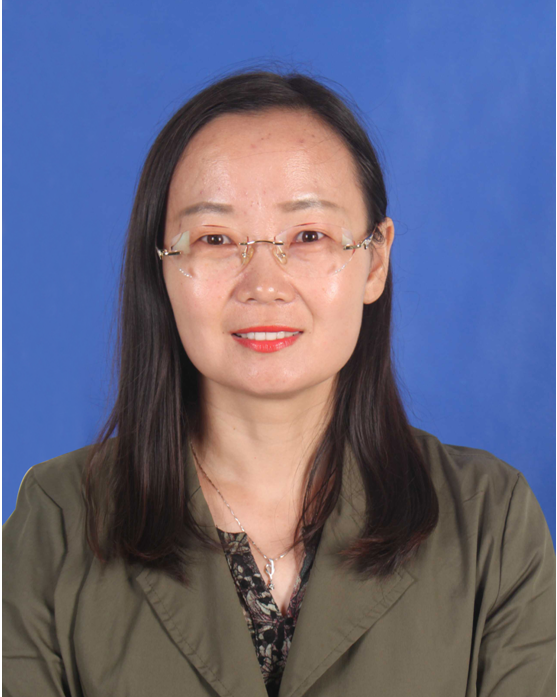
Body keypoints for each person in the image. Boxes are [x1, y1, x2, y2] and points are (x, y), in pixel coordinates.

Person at [3, 70, 555, 697]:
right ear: (161, 268)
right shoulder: (58, 524)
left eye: (309, 236)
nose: (263, 284)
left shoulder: (490, 524)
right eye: (215, 238)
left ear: (375, 260)